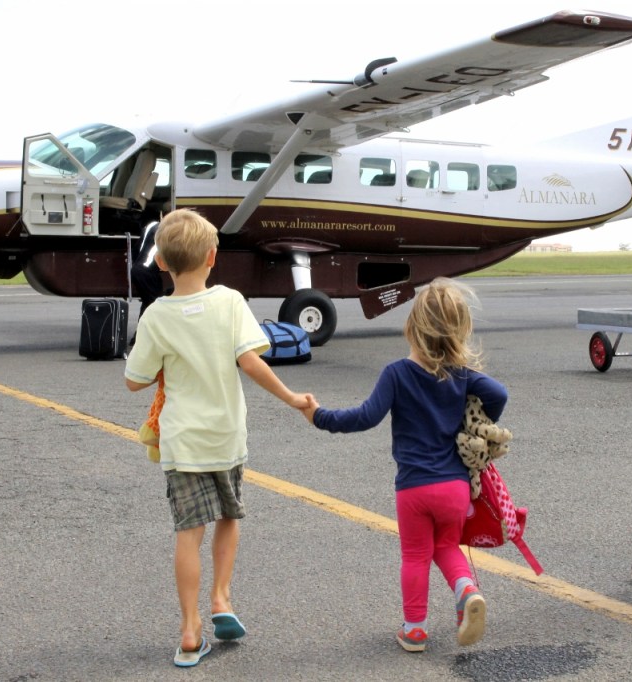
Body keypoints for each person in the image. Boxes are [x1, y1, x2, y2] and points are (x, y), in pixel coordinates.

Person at [124, 208, 311, 667]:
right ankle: (222, 599)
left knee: (188, 534)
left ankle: (190, 632)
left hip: (181, 442)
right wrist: (292, 398)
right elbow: (251, 361)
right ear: (213, 256)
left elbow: (135, 379)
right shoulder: (230, 302)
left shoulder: (155, 316)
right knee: (229, 517)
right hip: (225, 437)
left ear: (161, 263)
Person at [302, 278, 507, 651]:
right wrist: (476, 412)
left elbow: (364, 417)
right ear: (459, 331)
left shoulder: (397, 373)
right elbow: (499, 394)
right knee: (447, 548)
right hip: (455, 488)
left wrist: (320, 416)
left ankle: (414, 629)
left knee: (415, 556)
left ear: (412, 326)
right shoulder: (462, 376)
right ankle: (467, 590)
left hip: (414, 487)